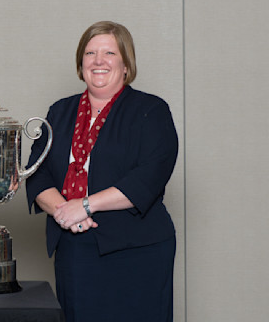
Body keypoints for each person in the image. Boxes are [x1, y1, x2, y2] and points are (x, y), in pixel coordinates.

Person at [25, 21, 178, 321]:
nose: (98, 61)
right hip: (74, 247)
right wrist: (63, 212)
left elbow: (148, 177)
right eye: (90, 53)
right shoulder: (59, 111)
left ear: (125, 65)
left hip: (137, 251)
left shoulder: (151, 110)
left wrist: (83, 206)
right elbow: (37, 171)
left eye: (109, 53)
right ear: (81, 64)